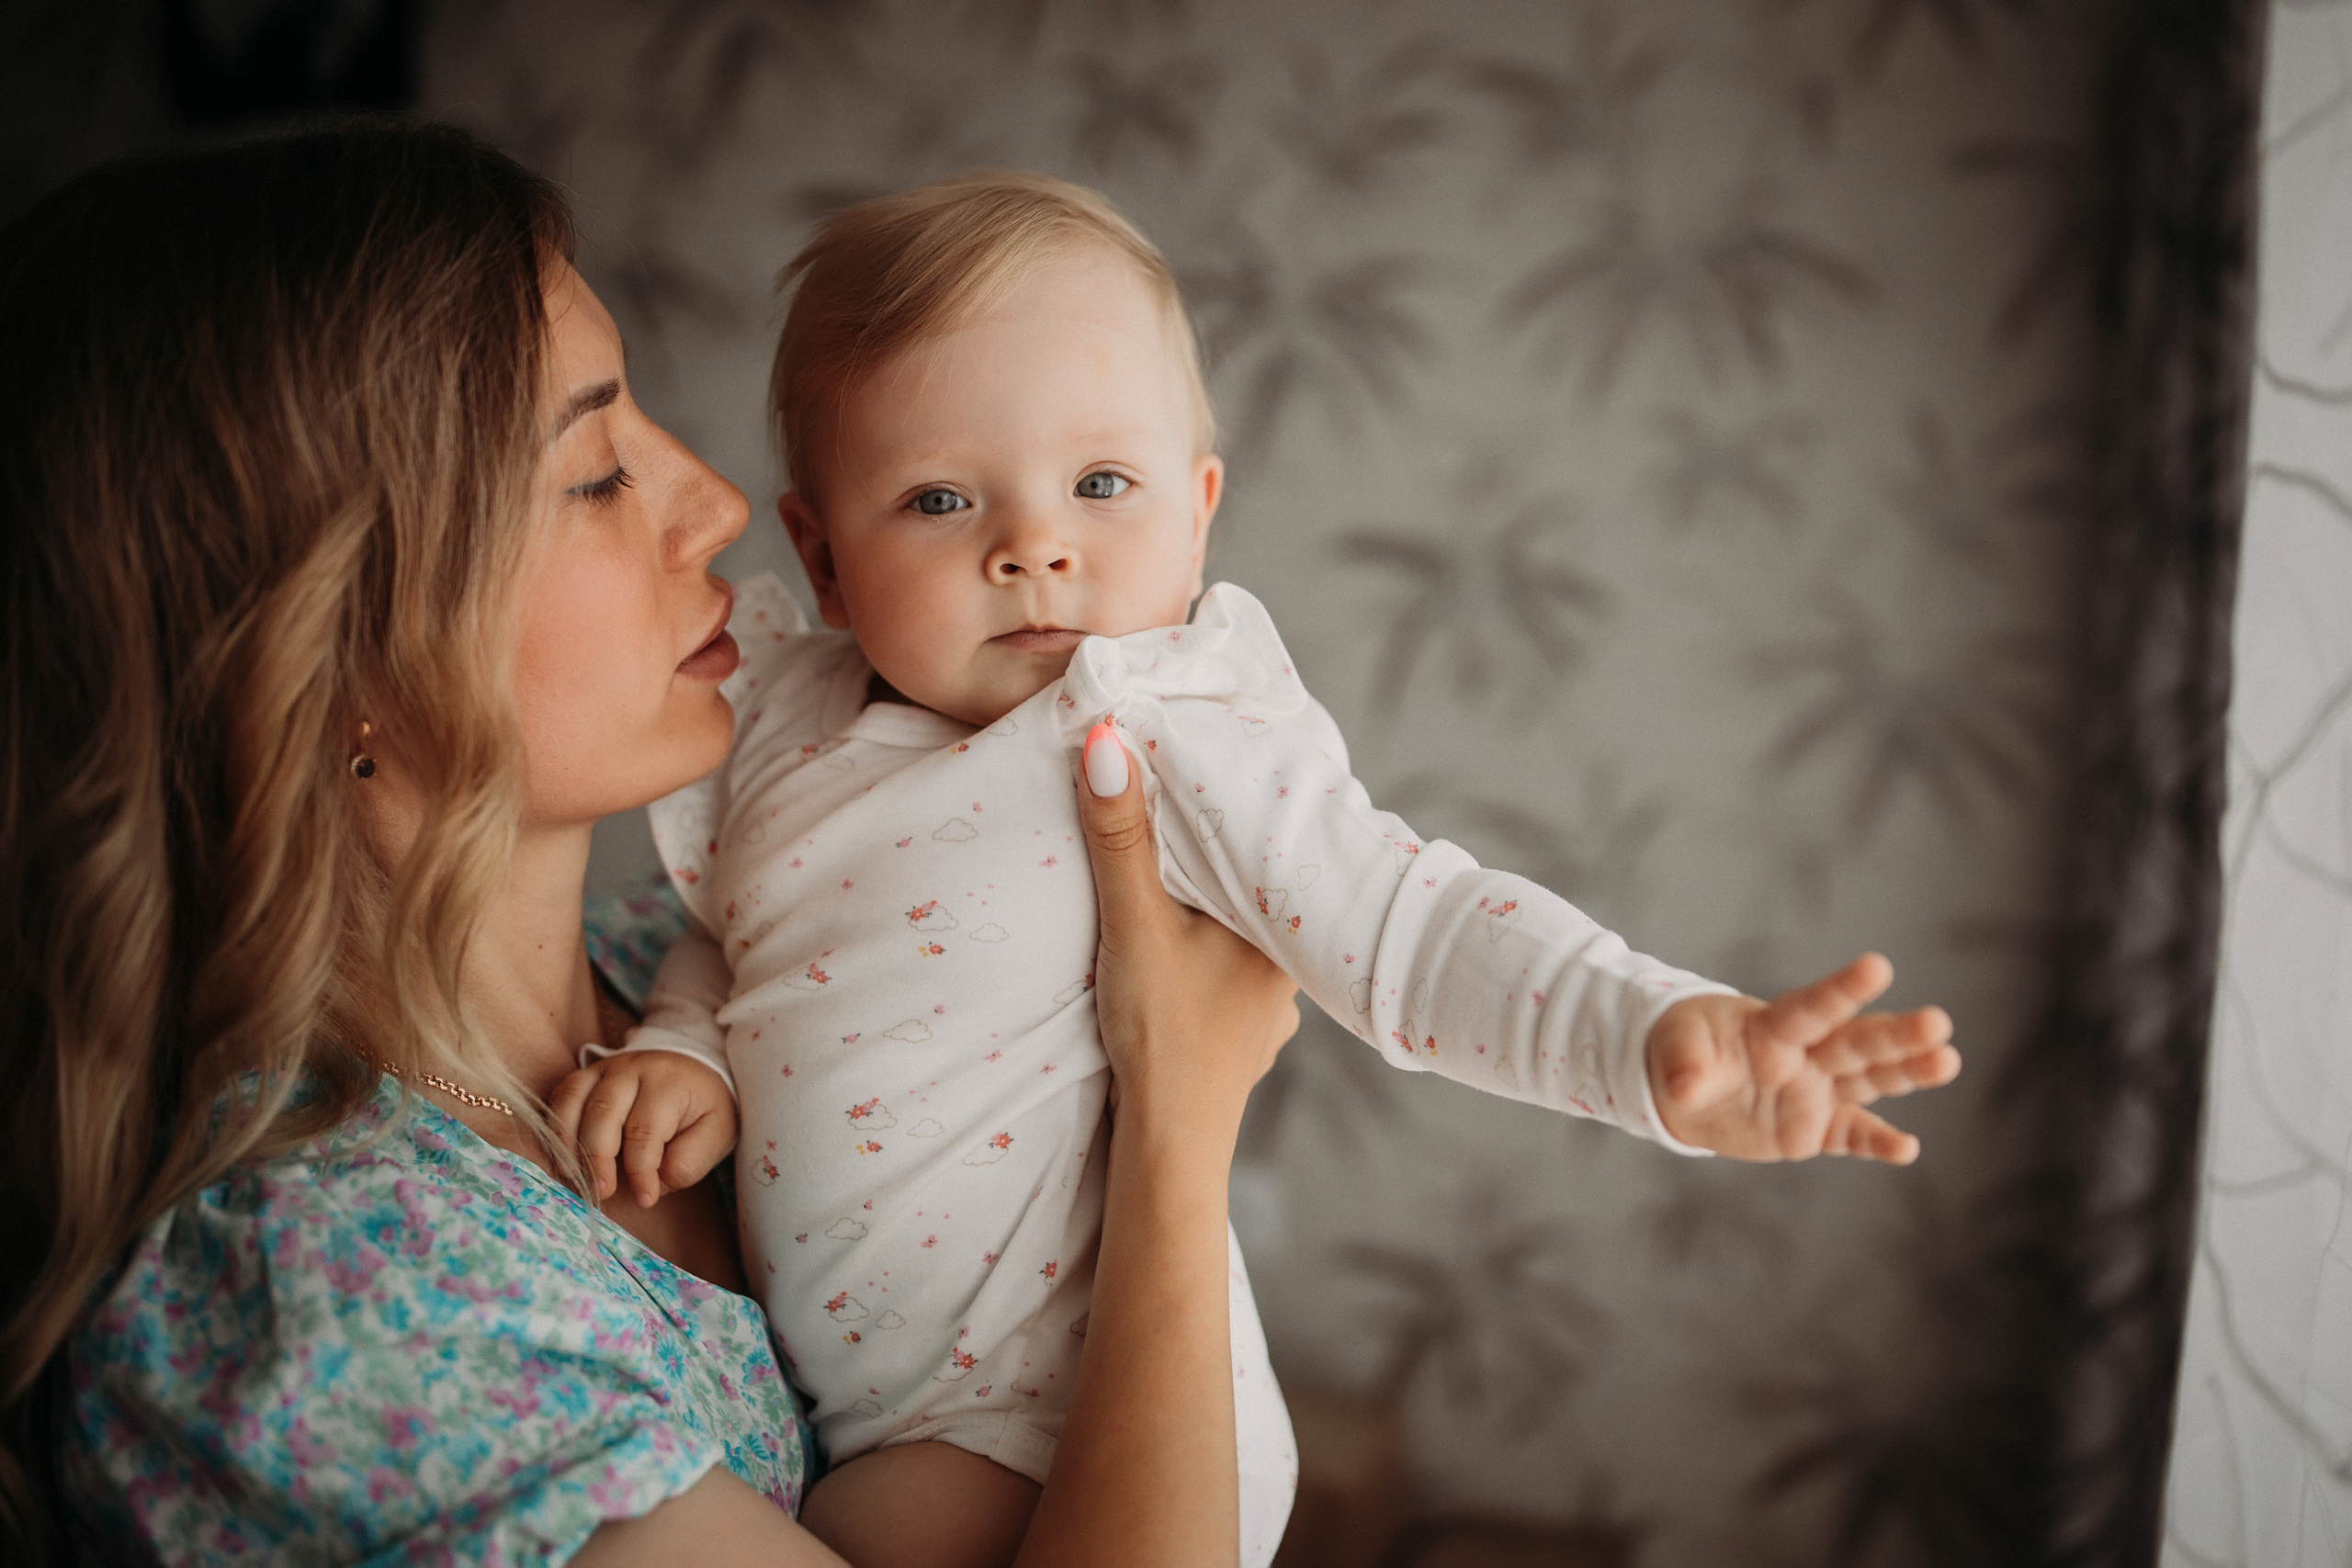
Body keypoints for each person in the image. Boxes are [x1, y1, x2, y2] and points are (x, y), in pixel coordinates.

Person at [551, 172, 1967, 1568]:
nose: (1033, 545)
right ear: (825, 555)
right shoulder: (790, 722)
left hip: (1045, 1407)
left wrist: (1650, 1037)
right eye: (936, 500)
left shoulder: (1157, 725)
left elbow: (1413, 925)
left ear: (1198, 510)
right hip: (864, 1399)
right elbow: (744, 929)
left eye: (1102, 484)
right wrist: (691, 1048)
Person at [0, 123, 1303, 1568]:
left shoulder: (721, 964)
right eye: (596, 474)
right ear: (329, 662)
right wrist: (1181, 1121)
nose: (720, 509)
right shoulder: (337, 1302)